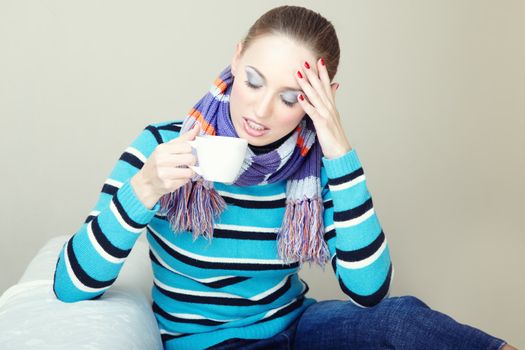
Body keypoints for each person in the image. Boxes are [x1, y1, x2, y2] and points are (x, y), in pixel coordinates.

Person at [52, 5, 516, 350]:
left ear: (321, 98)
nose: (261, 110)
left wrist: (337, 147)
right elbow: (70, 285)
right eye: (254, 81)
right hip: (205, 344)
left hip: (297, 328)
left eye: (291, 97)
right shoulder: (160, 146)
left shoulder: (318, 166)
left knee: (402, 320)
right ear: (235, 60)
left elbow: (370, 292)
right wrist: (145, 190)